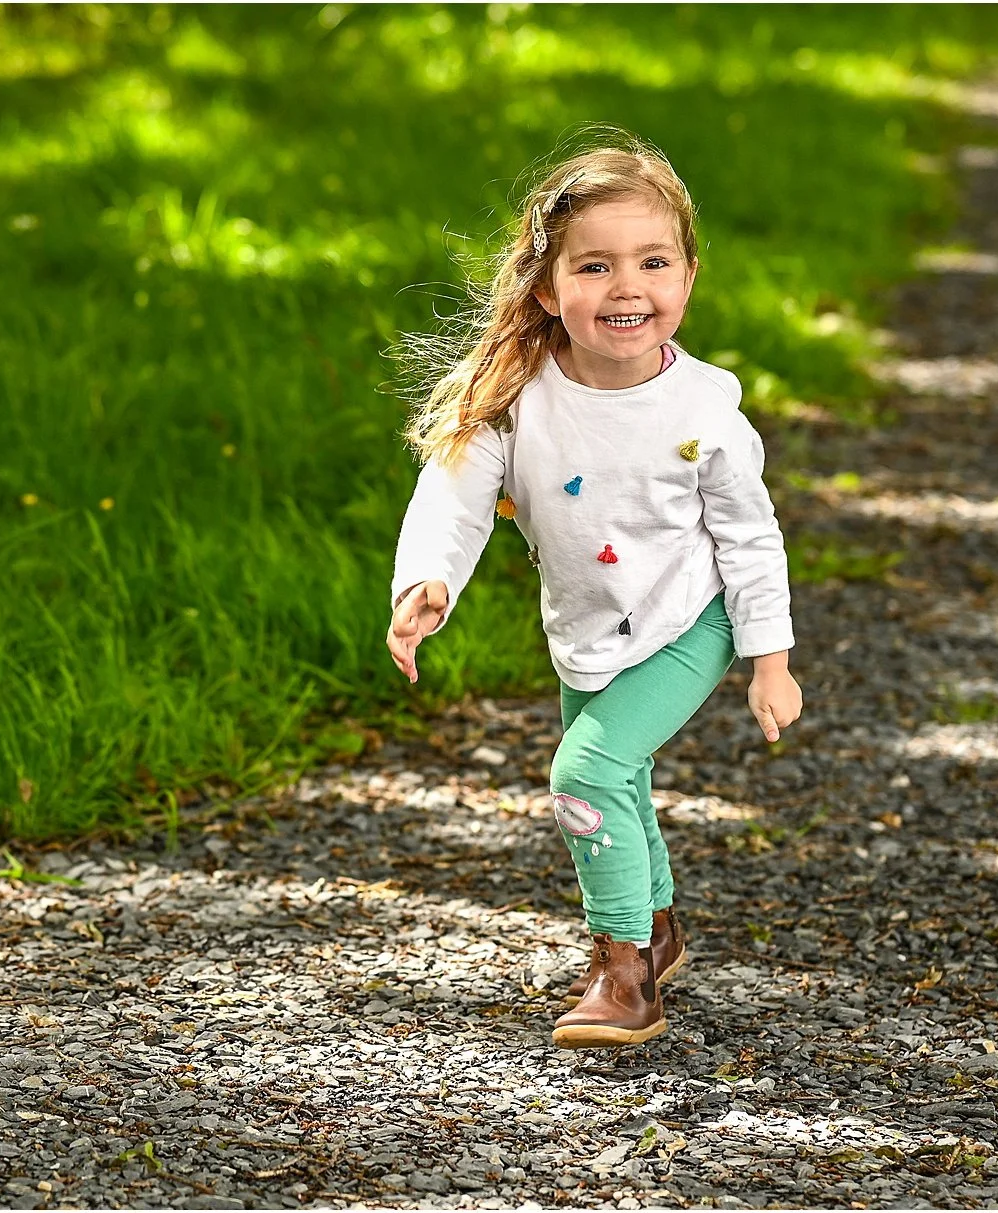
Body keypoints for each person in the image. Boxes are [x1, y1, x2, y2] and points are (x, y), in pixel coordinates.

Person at [383, 130, 803, 1050]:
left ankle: (622, 972)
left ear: (688, 277)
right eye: (596, 265)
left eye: (653, 262)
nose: (627, 287)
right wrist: (427, 581)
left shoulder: (704, 412)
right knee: (625, 772)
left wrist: (769, 657)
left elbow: (750, 535)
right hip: (586, 628)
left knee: (586, 772)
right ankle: (657, 928)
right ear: (546, 286)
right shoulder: (517, 397)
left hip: (693, 620)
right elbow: (452, 495)